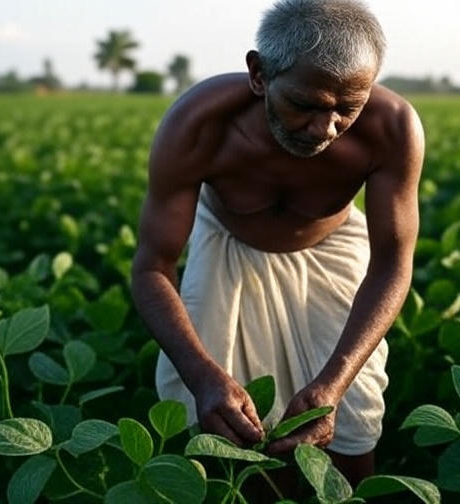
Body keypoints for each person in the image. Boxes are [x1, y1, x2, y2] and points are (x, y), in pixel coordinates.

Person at [130, 0, 423, 498]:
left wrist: (332, 385)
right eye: (306, 105)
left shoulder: (391, 129)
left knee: (352, 415)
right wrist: (202, 375)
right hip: (226, 243)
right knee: (213, 418)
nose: (324, 129)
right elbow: (152, 268)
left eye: (346, 109)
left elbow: (392, 265)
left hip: (333, 245)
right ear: (259, 74)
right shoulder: (198, 125)